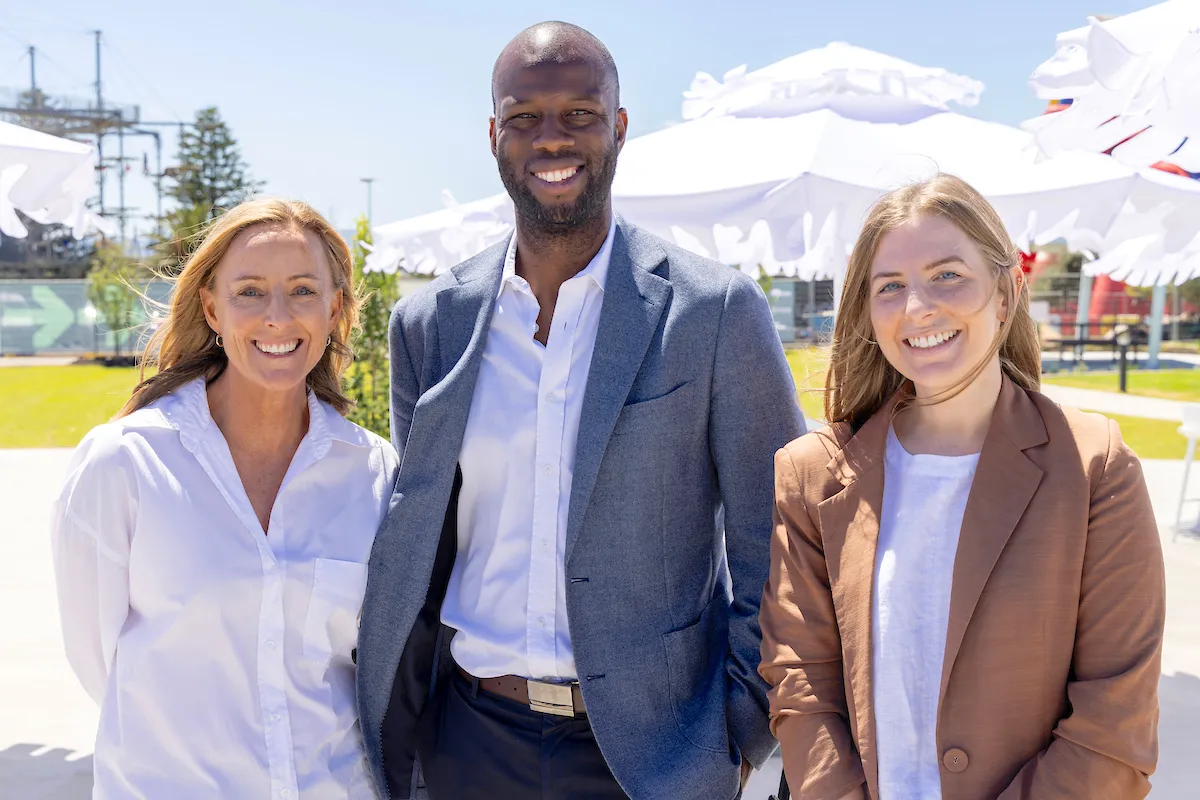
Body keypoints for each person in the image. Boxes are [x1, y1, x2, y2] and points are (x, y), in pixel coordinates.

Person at [354, 20, 804, 800]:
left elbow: (782, 540)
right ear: (495, 135)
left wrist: (739, 735)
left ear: (619, 127)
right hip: (470, 740)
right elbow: (422, 541)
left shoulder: (714, 313)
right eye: (524, 117)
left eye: (580, 114)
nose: (551, 138)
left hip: (653, 759)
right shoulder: (431, 325)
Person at [758, 174, 1166, 800]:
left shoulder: (1094, 468)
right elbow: (800, 682)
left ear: (1005, 294)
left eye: (947, 274)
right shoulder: (812, 473)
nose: (917, 305)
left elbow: (1115, 724)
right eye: (889, 286)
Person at [51, 198, 399, 799]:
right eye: (250, 293)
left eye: (302, 291)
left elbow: (367, 668)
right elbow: (98, 664)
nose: (278, 317)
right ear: (212, 308)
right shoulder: (126, 464)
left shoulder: (372, 472)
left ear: (335, 308)